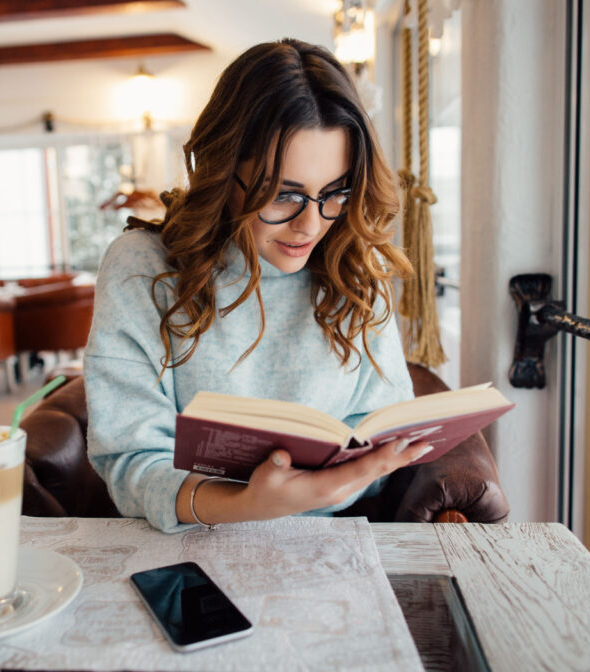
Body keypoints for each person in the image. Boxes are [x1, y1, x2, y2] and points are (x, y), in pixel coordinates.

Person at [83, 38, 433, 533]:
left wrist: (358, 473)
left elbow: (379, 430)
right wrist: (247, 504)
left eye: (335, 193)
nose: (310, 225)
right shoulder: (142, 268)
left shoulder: (356, 264)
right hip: (190, 545)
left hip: (331, 544)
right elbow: (132, 461)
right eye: (284, 195)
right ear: (224, 173)